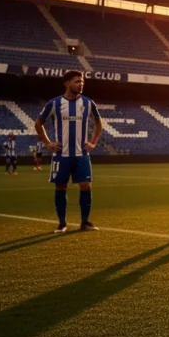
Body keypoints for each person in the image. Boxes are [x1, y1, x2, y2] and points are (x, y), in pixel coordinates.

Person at [35, 70, 103, 232]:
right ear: (67, 83)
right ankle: (62, 223)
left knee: (86, 186)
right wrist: (47, 143)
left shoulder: (88, 103)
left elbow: (99, 123)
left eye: (82, 82)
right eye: (77, 82)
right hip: (61, 154)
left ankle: (85, 222)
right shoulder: (54, 103)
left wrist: (93, 142)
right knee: (60, 186)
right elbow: (38, 123)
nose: (81, 85)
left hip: (82, 154)